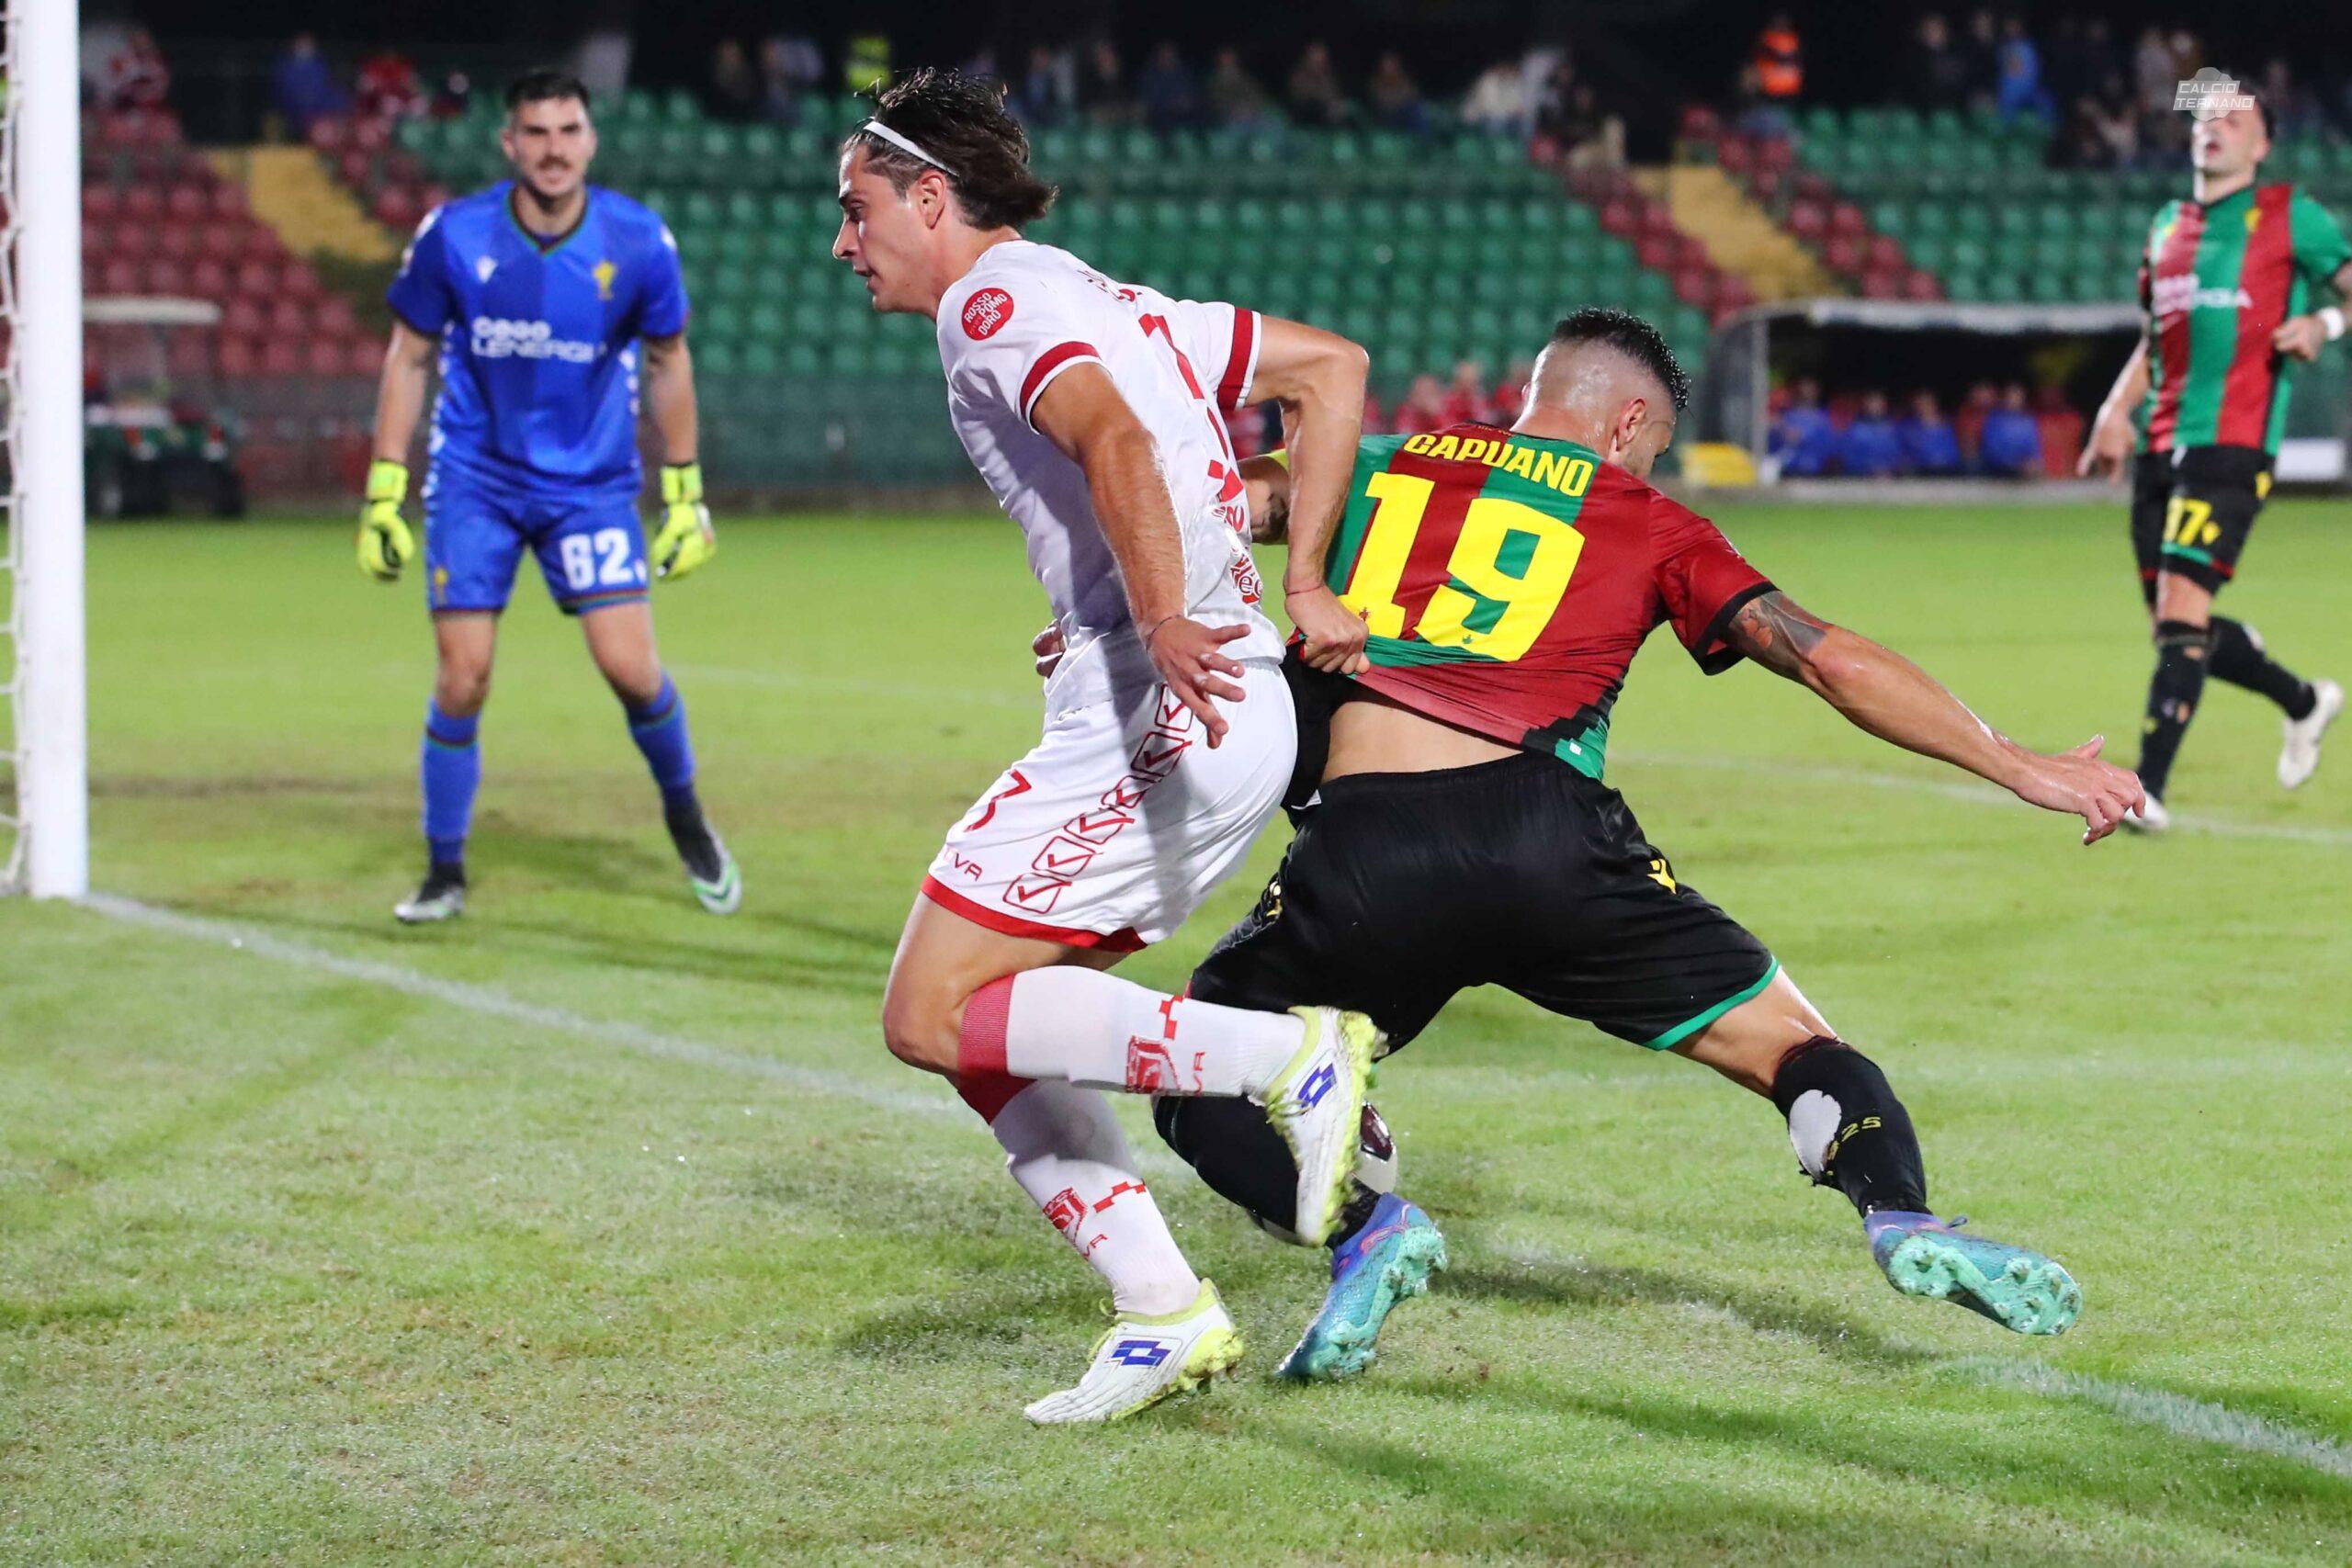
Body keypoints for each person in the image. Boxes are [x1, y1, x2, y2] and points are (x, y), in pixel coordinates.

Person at [1131, 309, 2140, 1379]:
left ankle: (1363, 1233)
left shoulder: (1376, 465)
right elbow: (1821, 657)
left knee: (1191, 1076)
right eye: (1652, 453)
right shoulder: (1648, 520)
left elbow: (1190, 499)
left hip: (1370, 850)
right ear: (1625, 427)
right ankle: (1902, 1218)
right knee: (1801, 1051)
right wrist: (2021, 766)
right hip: (1554, 846)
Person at [831, 68, 1380, 1424]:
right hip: (1189, 691)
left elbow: (1118, 439)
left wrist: (1150, 614)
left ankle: (1286, 1060)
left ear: (929, 195)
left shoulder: (993, 303)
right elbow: (1331, 371)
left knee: (925, 1009)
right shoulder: (1110, 294)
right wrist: (1299, 581)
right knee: (986, 1029)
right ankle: (1162, 1306)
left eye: (856, 211)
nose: (844, 243)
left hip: (1166, 703)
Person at [359, 70, 738, 923]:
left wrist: (684, 493)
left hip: (591, 488)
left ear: (590, 140)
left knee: (632, 671)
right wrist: (387, 489)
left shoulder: (638, 241)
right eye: (536, 132)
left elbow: (669, 360)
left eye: (568, 130)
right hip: (476, 482)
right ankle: (443, 869)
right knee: (463, 679)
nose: (554, 148)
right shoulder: (454, 236)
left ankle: (688, 821)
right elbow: (408, 356)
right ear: (510, 143)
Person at [2079, 89, 2349, 829]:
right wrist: (2113, 411)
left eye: (2234, 121)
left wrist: (2325, 320)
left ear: (2262, 146)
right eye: (2204, 119)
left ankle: (2149, 792)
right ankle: (2304, 699)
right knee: (2178, 629)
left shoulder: (2293, 215)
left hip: (2234, 446)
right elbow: (2153, 336)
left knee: (2180, 617)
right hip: (2161, 448)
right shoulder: (2166, 223)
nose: (2215, 130)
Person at [271, 32, 347, 139]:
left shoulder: (320, 65)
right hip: (297, 109)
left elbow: (326, 88)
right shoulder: (285, 67)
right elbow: (284, 92)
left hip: (320, 108)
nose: (306, 47)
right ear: (295, 46)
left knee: (340, 103)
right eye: (302, 44)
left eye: (308, 44)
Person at [1767, 376, 1835, 477]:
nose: (1806, 393)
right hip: (1789, 470)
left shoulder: (1824, 417)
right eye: (1803, 389)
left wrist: (1800, 437)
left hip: (1815, 471)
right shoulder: (1787, 416)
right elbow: (1773, 444)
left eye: (1810, 390)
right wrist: (1779, 429)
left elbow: (1827, 444)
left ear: (1817, 392)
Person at [1974, 383, 2042, 476]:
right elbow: (1991, 449)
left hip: (2024, 470)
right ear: (2005, 399)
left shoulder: (2028, 421)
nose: (2014, 400)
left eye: (2017, 397)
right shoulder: (1994, 420)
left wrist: (2033, 462)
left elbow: (2034, 447)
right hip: (1998, 469)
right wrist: (2015, 464)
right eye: (2011, 397)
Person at [1836, 389, 1902, 476]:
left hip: (1889, 477)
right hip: (1861, 478)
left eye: (1879, 403)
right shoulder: (1854, 429)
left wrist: (1888, 468)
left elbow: (1899, 454)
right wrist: (1871, 469)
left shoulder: (1893, 428)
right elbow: (1848, 457)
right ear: (1866, 404)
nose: (1876, 406)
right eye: (1872, 403)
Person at [1897, 389, 1963, 475]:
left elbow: (1953, 450)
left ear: (1934, 405)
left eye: (1927, 403)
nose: (1924, 407)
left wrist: (1943, 460)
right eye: (1920, 404)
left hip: (1946, 468)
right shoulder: (1908, 427)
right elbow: (1905, 452)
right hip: (1921, 469)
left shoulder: (1946, 426)